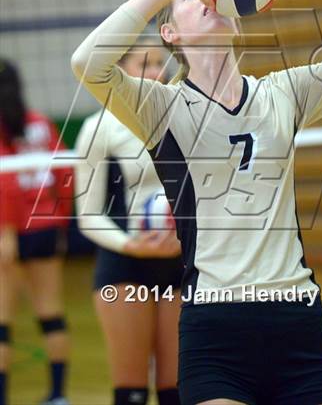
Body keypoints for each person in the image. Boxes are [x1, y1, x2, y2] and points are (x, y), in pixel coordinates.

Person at [71, 0, 322, 405]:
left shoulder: (286, 92)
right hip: (215, 331)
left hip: (296, 318)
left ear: (238, 22)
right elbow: (87, 63)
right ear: (171, 34)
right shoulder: (160, 107)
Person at [74, 40, 183, 405]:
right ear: (119, 71)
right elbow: (88, 215)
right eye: (146, 64)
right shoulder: (98, 127)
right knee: (132, 392)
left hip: (181, 265)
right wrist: (130, 244)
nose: (158, 72)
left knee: (176, 390)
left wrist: (191, 238)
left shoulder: (186, 117)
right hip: (125, 267)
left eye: (161, 64)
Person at [0, 59, 73, 405]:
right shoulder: (41, 122)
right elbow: (64, 176)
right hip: (44, 227)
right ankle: (58, 395)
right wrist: (60, 222)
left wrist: (6, 232)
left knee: (2, 321)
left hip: (8, 229)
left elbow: (6, 186)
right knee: (51, 312)